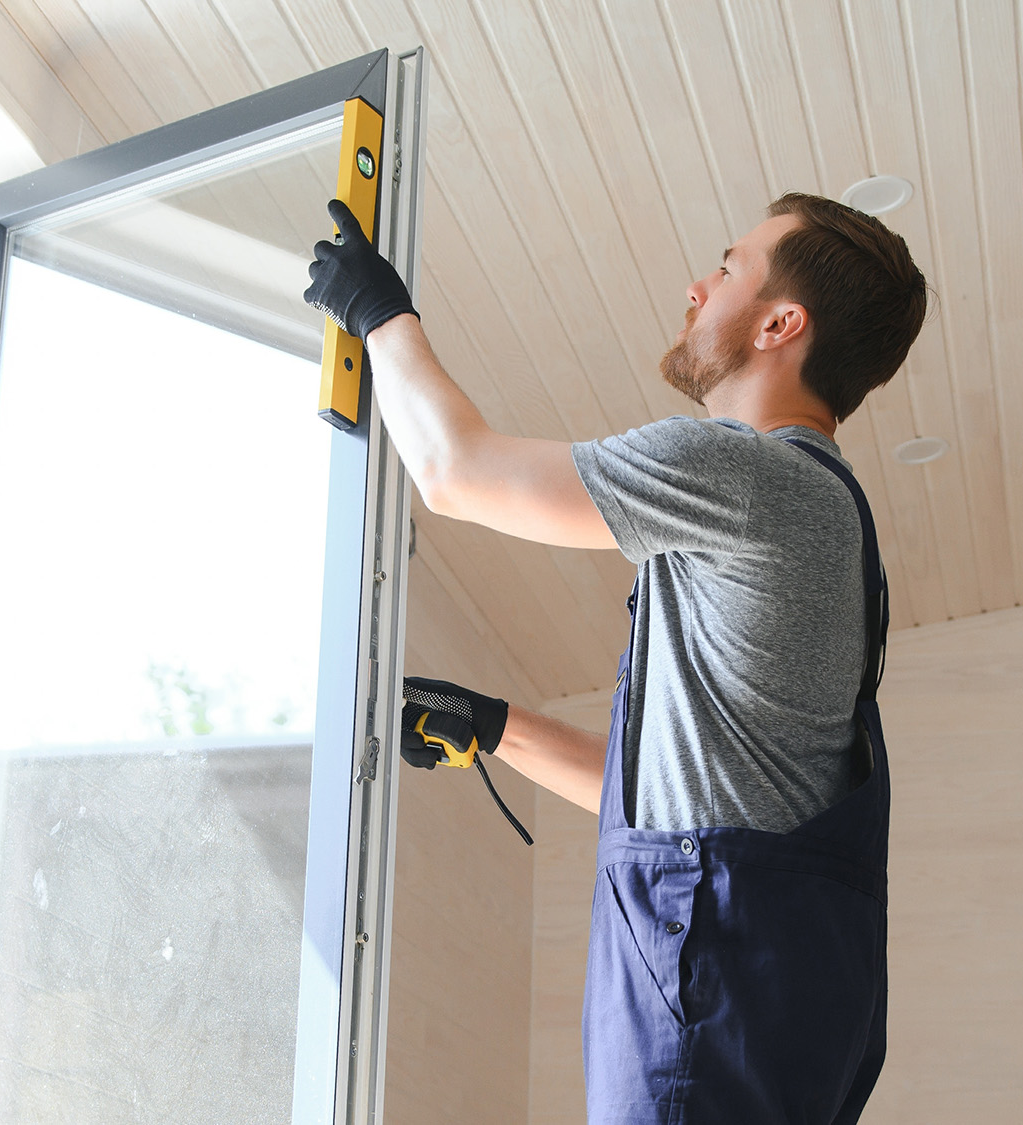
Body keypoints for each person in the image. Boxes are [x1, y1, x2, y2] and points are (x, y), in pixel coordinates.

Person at [306, 190, 927, 1124]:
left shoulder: (747, 476)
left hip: (704, 1035)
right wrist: (495, 729)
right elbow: (678, 807)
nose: (696, 286)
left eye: (727, 267)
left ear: (781, 322)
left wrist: (378, 314)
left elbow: (453, 471)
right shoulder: (824, 531)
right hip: (746, 1042)